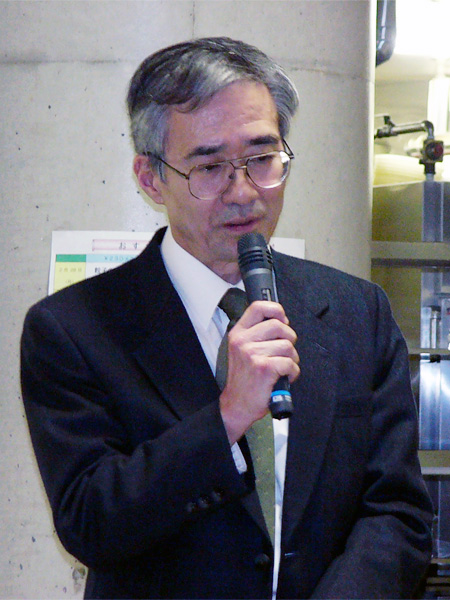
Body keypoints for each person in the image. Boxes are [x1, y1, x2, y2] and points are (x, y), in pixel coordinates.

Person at [21, 37, 433, 599]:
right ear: (150, 177)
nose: (243, 192)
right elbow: (91, 523)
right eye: (210, 167)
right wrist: (228, 416)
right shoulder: (74, 328)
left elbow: (397, 512)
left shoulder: (358, 310)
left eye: (262, 159)